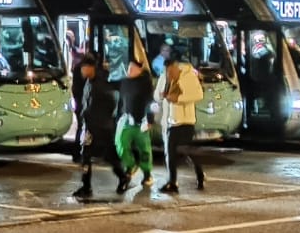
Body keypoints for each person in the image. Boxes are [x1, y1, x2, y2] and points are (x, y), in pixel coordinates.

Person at [71, 51, 126, 199]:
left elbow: (112, 102)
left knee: (110, 155)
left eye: (84, 68)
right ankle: (86, 186)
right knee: (86, 155)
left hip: (102, 127)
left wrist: (103, 118)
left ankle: (122, 177)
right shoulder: (89, 82)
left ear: (90, 68)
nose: (82, 71)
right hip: (90, 126)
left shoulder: (101, 84)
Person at [158, 45, 205, 193]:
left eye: (171, 70)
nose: (169, 73)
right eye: (167, 71)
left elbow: (198, 95)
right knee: (170, 152)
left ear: (176, 66)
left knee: (186, 151)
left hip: (186, 121)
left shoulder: (188, 76)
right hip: (170, 121)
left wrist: (178, 99)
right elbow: (158, 94)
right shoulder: (166, 76)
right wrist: (160, 95)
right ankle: (172, 182)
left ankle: (199, 173)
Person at [115, 50, 156, 189]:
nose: (130, 70)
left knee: (144, 149)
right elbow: (121, 101)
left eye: (133, 68)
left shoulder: (145, 83)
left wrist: (149, 119)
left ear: (140, 70)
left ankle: (147, 174)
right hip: (126, 119)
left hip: (141, 121)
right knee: (120, 144)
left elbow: (151, 102)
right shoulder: (125, 82)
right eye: (129, 67)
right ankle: (130, 165)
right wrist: (118, 117)